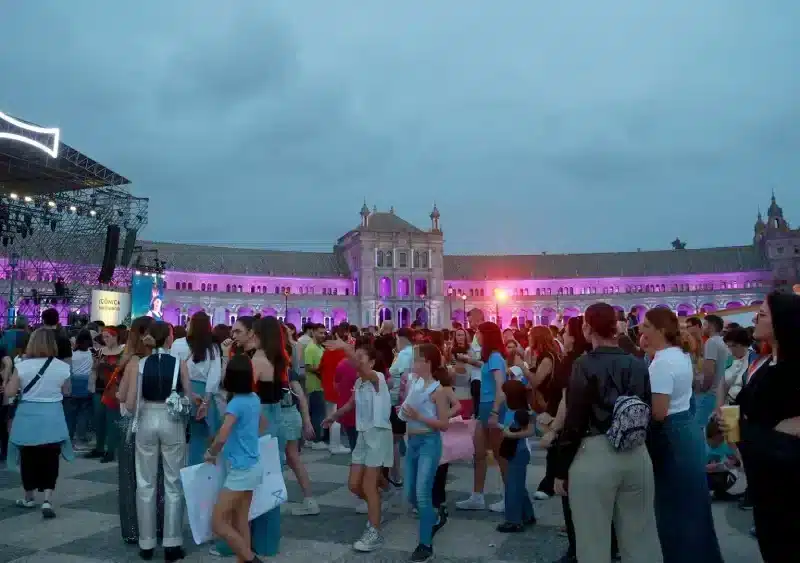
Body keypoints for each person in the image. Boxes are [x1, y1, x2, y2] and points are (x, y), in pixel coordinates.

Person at [554, 303, 661, 563]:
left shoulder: (584, 364)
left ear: (587, 328)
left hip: (596, 451)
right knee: (641, 540)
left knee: (593, 543)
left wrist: (560, 467)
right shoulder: (637, 362)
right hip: (636, 452)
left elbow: (575, 419)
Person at [640, 308, 723, 563]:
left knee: (674, 511)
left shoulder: (662, 362)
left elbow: (659, 411)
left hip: (671, 438)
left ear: (660, 330)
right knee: (693, 507)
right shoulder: (679, 355)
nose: (641, 329)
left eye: (646, 325)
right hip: (686, 433)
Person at [726, 292, 800, 562]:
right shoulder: (766, 364)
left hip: (788, 484)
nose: (755, 317)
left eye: (764, 314)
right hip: (765, 480)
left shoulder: (792, 368)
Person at [127, 321, 194, 562]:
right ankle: (172, 544)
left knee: (145, 482)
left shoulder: (139, 364)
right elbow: (188, 396)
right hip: (171, 420)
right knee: (173, 483)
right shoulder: (180, 364)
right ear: (168, 339)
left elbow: (132, 401)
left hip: (146, 419)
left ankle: (146, 544)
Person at [323, 341, 393, 553]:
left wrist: (346, 348)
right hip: (363, 435)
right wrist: (333, 417)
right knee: (354, 485)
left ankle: (374, 531)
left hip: (378, 434)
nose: (357, 360)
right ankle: (377, 505)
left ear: (372, 362)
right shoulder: (360, 382)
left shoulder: (377, 378)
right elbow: (351, 404)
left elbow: (360, 368)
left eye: (362, 357)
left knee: (369, 486)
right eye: (356, 356)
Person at [5, 328, 73, 519]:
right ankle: (47, 500)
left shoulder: (23, 366)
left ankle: (28, 497)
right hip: (54, 416)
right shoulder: (62, 367)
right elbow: (67, 391)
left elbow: (10, 392)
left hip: (28, 416)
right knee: (51, 457)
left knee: (28, 458)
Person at [207, 354, 266, 563]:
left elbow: (222, 435)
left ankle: (250, 559)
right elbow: (262, 424)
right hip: (252, 464)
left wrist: (211, 453)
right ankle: (245, 559)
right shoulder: (254, 399)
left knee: (218, 523)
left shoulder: (236, 404)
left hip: (240, 469)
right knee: (241, 520)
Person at [398, 342, 452, 562]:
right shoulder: (416, 383)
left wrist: (419, 418)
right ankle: (435, 515)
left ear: (427, 363)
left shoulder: (437, 390)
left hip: (429, 442)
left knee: (422, 493)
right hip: (412, 442)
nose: (413, 363)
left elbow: (444, 423)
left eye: (417, 359)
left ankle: (425, 544)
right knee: (410, 492)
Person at [455, 321, 507, 513]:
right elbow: (483, 366)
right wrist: (469, 361)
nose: (475, 334)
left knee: (500, 454)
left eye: (478, 332)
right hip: (485, 407)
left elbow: (501, 388)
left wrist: (494, 411)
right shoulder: (490, 358)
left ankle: (508, 496)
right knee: (478, 453)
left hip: (492, 407)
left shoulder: (495, 357)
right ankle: (477, 496)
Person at [497, 379, 535, 533]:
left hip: (519, 451)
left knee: (512, 486)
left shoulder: (523, 412)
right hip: (513, 451)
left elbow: (531, 431)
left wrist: (511, 434)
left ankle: (513, 520)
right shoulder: (511, 410)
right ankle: (527, 514)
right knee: (517, 484)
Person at [64, 329, 94, 449]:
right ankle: (81, 439)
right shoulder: (92, 353)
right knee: (83, 414)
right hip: (87, 385)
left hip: (73, 384)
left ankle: (68, 439)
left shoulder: (72, 354)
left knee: (70, 414)